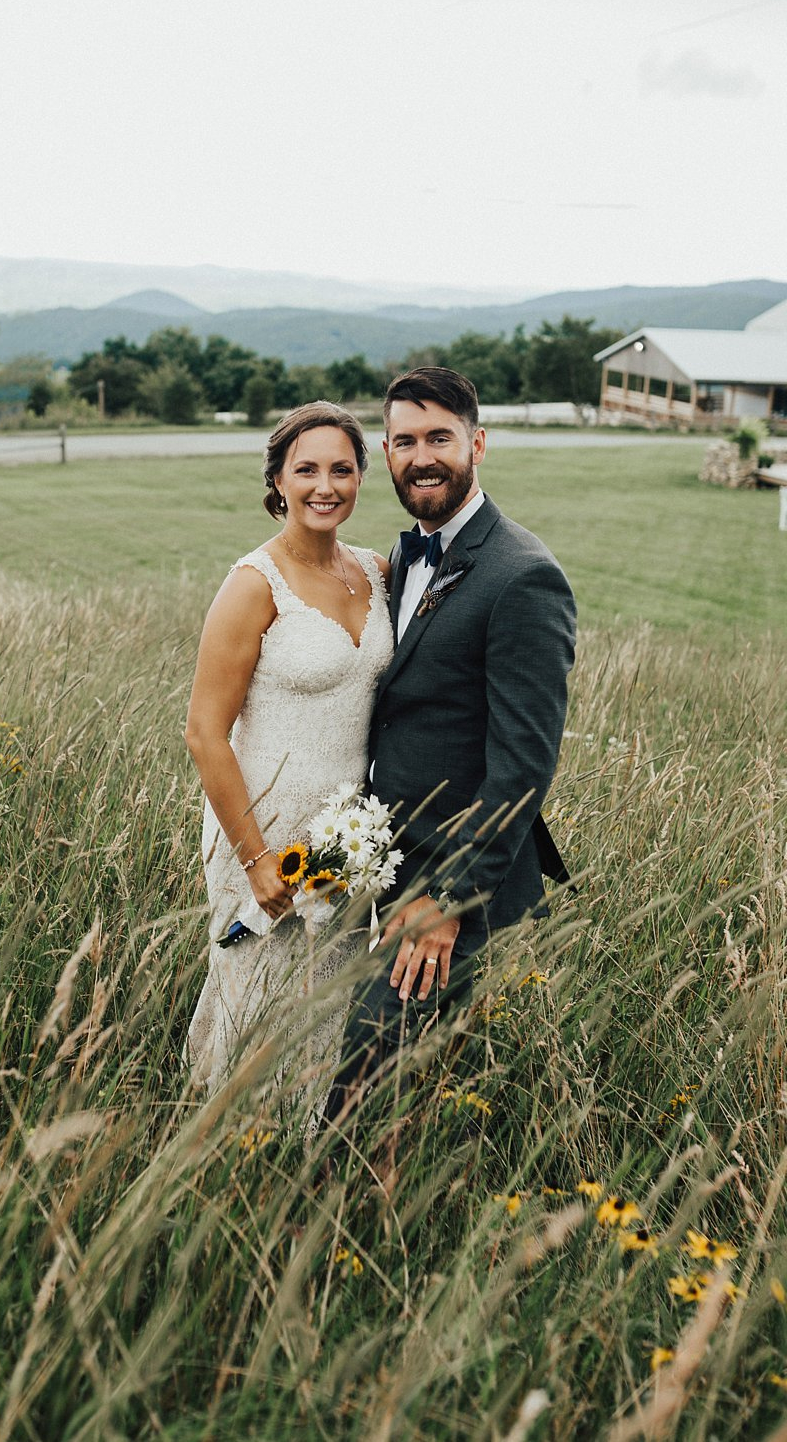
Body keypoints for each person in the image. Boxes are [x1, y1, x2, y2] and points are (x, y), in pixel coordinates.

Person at [326, 366, 577, 1117]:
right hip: (387, 859)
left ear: (478, 442)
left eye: (440, 436)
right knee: (402, 1090)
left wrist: (447, 899)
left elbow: (524, 768)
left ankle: (348, 1227)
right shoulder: (404, 560)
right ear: (387, 451)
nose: (422, 455)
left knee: (364, 1088)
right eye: (405, 440)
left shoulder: (524, 577)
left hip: (448, 877)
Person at [185, 402, 394, 1107]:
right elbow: (203, 733)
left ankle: (298, 1169)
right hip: (263, 834)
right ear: (278, 478)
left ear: (362, 476)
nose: (324, 484)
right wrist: (255, 858)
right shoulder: (254, 583)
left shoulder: (377, 573)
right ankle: (226, 1158)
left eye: (342, 468)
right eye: (306, 468)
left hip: (343, 840)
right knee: (256, 1015)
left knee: (320, 1018)